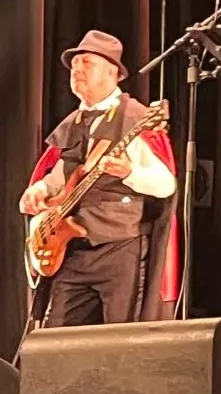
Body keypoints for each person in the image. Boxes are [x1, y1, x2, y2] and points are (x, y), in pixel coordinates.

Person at [18, 30, 180, 326]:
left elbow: (165, 185)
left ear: (112, 73)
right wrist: (39, 189)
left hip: (119, 248)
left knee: (117, 341)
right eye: (74, 64)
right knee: (54, 341)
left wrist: (129, 172)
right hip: (73, 251)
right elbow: (59, 175)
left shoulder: (135, 118)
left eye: (87, 63)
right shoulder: (72, 123)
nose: (76, 70)